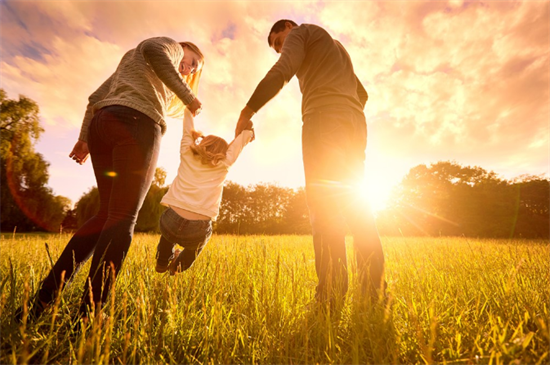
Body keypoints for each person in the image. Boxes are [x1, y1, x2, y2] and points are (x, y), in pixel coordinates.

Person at [17, 36, 205, 322]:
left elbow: (95, 99)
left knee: (105, 215)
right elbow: (155, 49)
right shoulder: (168, 46)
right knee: (122, 218)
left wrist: (84, 139)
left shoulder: (133, 63)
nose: (189, 68)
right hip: (137, 125)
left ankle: (40, 304)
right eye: (191, 61)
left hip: (102, 125)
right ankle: (89, 315)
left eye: (194, 69)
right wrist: (189, 97)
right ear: (183, 48)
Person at [235, 20, 385, 305]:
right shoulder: (336, 47)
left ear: (290, 28)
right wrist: (344, 109)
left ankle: (330, 296)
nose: (281, 49)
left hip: (323, 119)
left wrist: (248, 109)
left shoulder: (301, 33)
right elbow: (361, 93)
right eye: (277, 47)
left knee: (324, 206)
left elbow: (283, 70)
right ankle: (374, 292)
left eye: (280, 42)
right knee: (357, 206)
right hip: (354, 122)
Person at [154, 110, 254, 275]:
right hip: (198, 228)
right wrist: (248, 132)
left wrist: (189, 110)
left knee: (168, 235)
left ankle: (162, 261)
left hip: (171, 219)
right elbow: (239, 144)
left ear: (202, 143)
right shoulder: (224, 163)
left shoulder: (187, 152)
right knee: (195, 248)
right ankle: (177, 267)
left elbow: (187, 129)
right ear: (224, 153)